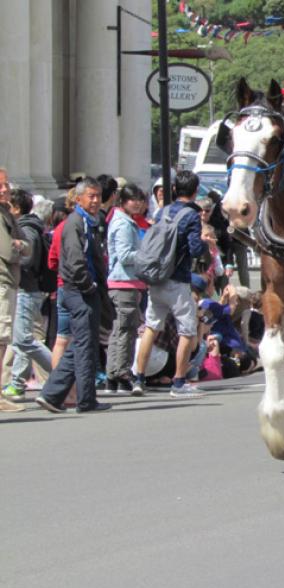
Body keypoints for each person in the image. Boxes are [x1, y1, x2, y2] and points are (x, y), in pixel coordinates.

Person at [35, 177, 110, 414]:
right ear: (78, 199)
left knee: (80, 344)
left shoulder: (88, 222)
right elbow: (75, 261)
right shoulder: (75, 224)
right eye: (91, 196)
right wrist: (89, 287)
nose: (96, 200)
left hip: (77, 290)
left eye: (98, 195)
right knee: (84, 345)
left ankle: (52, 394)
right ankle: (85, 400)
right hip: (78, 290)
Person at [132, 170, 208, 398]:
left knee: (151, 326)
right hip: (178, 279)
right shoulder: (191, 216)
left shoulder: (162, 211)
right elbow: (195, 249)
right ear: (195, 191)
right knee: (187, 329)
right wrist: (204, 244)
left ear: (174, 189)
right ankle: (179, 381)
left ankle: (139, 378)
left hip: (156, 277)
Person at [3, 189, 52, 401]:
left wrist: (15, 252)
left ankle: (63, 374)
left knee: (23, 339)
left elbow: (26, 257)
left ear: (16, 208)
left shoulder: (27, 228)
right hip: (26, 289)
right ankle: (16, 384)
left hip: (26, 289)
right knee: (19, 340)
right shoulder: (26, 226)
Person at [104, 184, 148, 394]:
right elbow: (124, 255)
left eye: (140, 199)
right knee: (125, 330)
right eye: (133, 199)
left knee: (121, 329)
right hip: (124, 282)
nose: (138, 203)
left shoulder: (124, 221)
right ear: (123, 201)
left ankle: (114, 374)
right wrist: (146, 256)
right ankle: (121, 372)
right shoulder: (123, 223)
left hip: (127, 282)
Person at [0, 167, 33, 412]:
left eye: (6, 185)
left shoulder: (7, 214)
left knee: (4, 339)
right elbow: (10, 251)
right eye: (0, 185)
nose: (5, 190)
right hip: (2, 282)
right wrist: (19, 246)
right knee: (1, 339)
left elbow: (27, 247)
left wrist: (19, 245)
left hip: (9, 281)